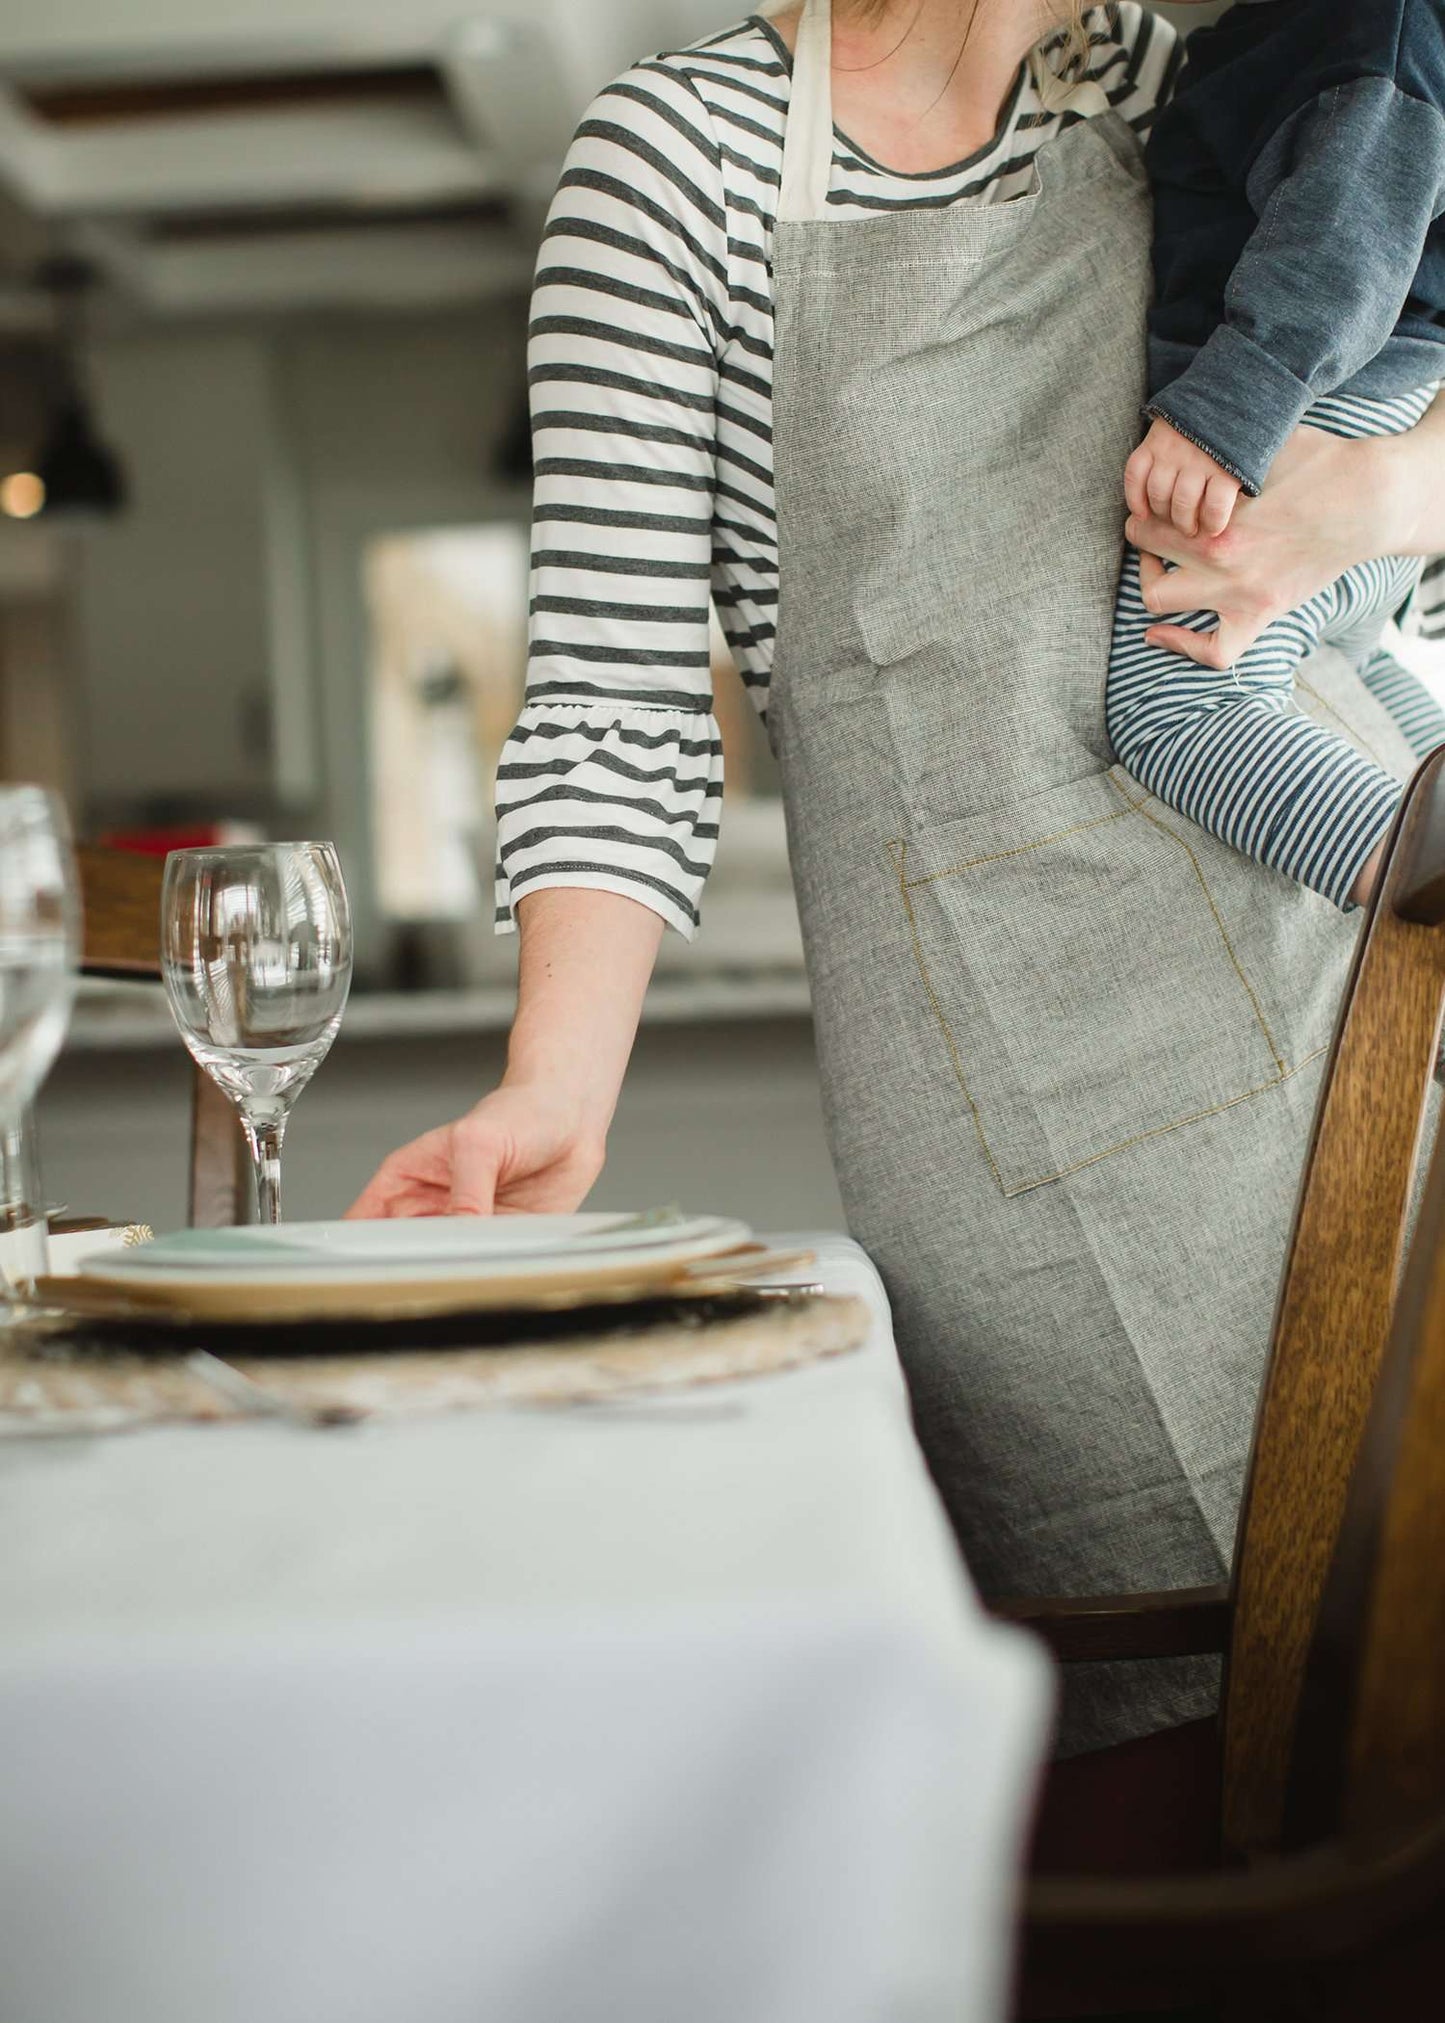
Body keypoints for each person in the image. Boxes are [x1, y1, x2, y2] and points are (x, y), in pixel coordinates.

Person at [352, 0, 1445, 1756]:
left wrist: (1385, 493)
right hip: (1018, 1124)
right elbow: (617, 710)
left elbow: (1407, 528)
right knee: (1170, 1754)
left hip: (1371, 1009)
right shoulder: (674, 165)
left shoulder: (1213, 69)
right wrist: (553, 1089)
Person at [1107, 0, 1445, 910]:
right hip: (1374, 419)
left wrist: (1224, 412)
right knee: (1349, 667)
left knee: (1176, 714)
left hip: (1311, 420)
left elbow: (1344, 233)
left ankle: (1420, 873)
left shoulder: (1373, 27)